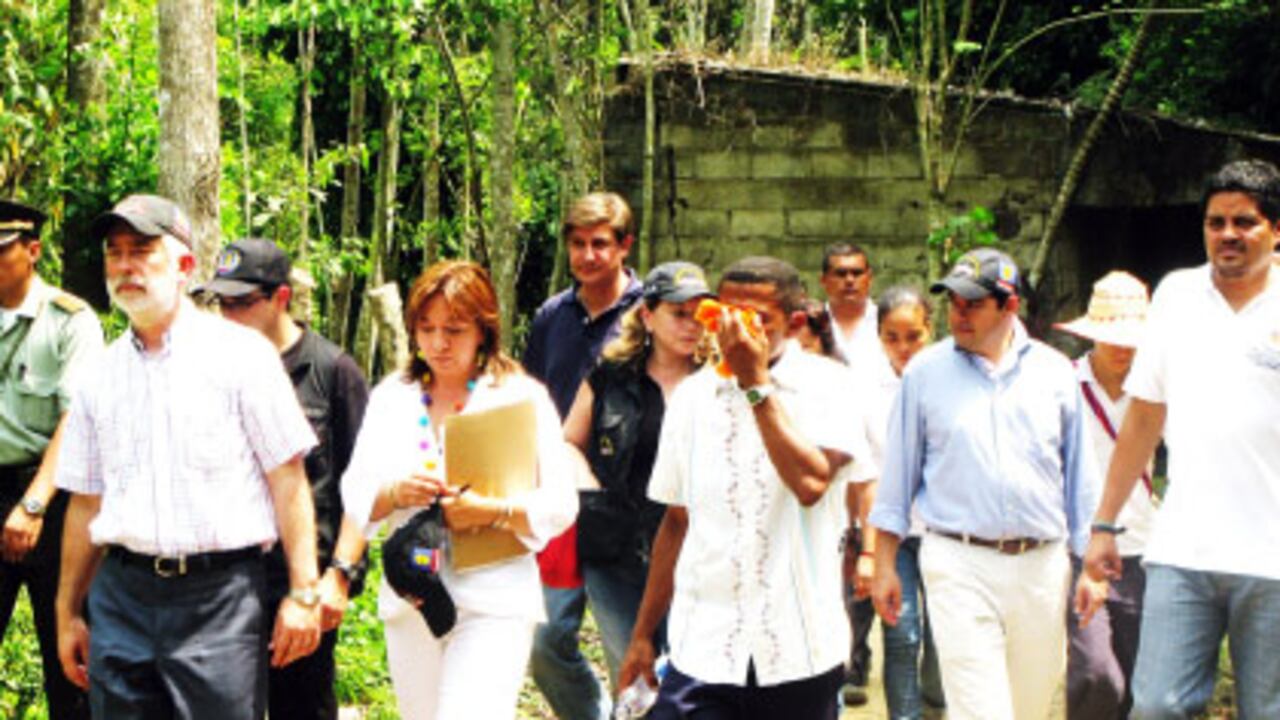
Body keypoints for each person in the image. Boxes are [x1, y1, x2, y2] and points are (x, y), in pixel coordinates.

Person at [53, 194, 323, 719]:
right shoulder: (98, 377)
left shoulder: (242, 357)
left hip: (217, 599)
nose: (126, 266)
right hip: (121, 598)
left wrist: (304, 592)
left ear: (183, 265)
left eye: (142, 250)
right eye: (114, 253)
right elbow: (85, 503)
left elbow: (288, 482)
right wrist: (67, 611)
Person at [618, 256, 868, 720]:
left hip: (798, 649)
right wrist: (642, 634)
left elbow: (810, 483)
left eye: (756, 321)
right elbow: (677, 521)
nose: (733, 332)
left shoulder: (831, 388)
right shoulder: (693, 398)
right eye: (723, 316)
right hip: (704, 648)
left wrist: (755, 384)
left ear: (794, 325)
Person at [869, 248, 1105, 720]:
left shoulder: (1055, 373)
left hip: (1041, 565)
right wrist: (883, 564)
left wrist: (1091, 568)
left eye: (973, 303)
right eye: (954, 301)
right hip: (958, 561)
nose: (959, 313)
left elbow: (1080, 479)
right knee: (982, 712)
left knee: (1029, 708)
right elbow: (896, 479)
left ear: (1009, 304)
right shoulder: (925, 373)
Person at [1083, 159, 1280, 719]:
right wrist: (1104, 525)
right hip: (1183, 552)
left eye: (1245, 222)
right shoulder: (1176, 295)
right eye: (1216, 222)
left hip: (1273, 559)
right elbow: (1144, 417)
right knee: (1157, 706)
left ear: (1276, 230)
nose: (1228, 235)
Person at [340, 260, 578, 720]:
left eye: (454, 329)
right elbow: (356, 494)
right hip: (416, 595)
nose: (438, 343)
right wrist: (394, 492)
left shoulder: (520, 396)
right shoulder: (394, 395)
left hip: (495, 595)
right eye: (426, 329)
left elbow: (561, 503)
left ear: (483, 330)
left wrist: (494, 511)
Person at [199, 238, 371, 720]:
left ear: (280, 299)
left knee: (302, 707)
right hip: (225, 583)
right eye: (222, 304)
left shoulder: (333, 371)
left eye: (242, 303)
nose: (229, 316)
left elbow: (361, 487)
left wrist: (340, 576)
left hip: (299, 582)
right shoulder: (212, 370)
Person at [561, 261, 713, 686]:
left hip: (694, 552)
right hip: (616, 548)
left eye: (699, 315)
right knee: (635, 675)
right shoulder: (610, 376)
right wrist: (587, 483)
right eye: (679, 314)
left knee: (688, 677)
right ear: (647, 316)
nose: (691, 326)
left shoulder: (718, 382)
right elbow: (569, 442)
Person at [523, 192, 642, 719]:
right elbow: (531, 392)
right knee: (544, 642)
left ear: (624, 246)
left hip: (627, 508)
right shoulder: (554, 315)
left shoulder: (647, 314)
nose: (588, 256)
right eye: (577, 244)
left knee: (629, 650)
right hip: (559, 502)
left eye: (600, 244)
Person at [0, 199, 101, 720]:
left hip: (54, 497)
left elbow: (77, 420)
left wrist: (34, 504)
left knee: (66, 649)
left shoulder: (69, 320)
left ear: (32, 251)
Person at [1054, 270, 1155, 720]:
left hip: (1144, 548)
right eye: (1111, 337)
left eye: (1133, 339)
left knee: (1141, 680)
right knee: (1096, 674)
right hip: (1080, 548)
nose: (1122, 347)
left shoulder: (1156, 390)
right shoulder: (1063, 387)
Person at [871, 286, 945, 720]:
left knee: (942, 633)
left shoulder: (948, 379)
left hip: (941, 530)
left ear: (930, 330)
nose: (903, 348)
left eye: (913, 336)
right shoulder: (865, 386)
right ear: (878, 335)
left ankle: (938, 707)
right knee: (902, 634)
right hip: (891, 534)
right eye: (891, 337)